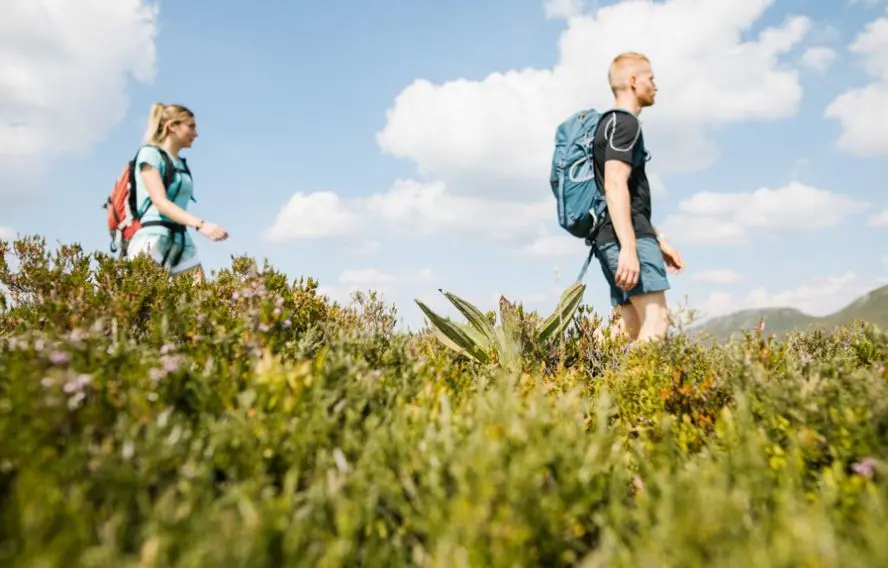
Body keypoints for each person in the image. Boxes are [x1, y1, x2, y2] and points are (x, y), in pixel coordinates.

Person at [590, 52, 684, 344]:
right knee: (656, 322)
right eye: (651, 79)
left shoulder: (608, 124)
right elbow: (615, 184)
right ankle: (634, 390)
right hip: (626, 237)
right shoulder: (625, 123)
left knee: (628, 328)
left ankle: (564, 373)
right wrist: (631, 248)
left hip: (611, 235)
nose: (655, 85)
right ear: (632, 81)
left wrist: (657, 239)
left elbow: (625, 193)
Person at [125, 103, 229, 283]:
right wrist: (201, 225)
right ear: (172, 126)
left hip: (181, 241)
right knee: (143, 303)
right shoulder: (149, 155)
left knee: (200, 302)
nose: (195, 134)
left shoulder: (181, 164)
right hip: (153, 238)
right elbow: (160, 202)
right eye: (191, 126)